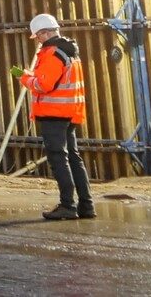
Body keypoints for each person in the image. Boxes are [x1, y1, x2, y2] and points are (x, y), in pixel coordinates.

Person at [23, 12, 93, 221]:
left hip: (53, 114)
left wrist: (24, 78)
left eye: (39, 37)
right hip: (69, 113)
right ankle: (86, 205)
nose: (39, 42)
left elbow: (43, 85)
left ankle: (67, 205)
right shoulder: (69, 52)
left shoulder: (53, 54)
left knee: (59, 159)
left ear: (44, 33)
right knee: (73, 157)